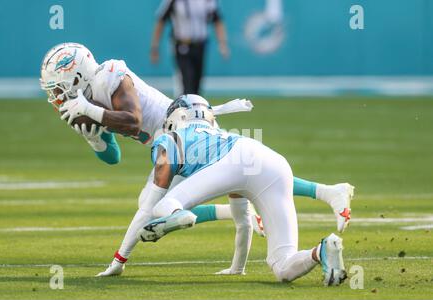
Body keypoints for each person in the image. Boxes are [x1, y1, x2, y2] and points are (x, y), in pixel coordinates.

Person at [39, 43, 354, 277]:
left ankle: (323, 193)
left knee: (155, 208)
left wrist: (118, 261)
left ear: (77, 77)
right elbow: (113, 157)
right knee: (248, 179)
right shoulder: (87, 103)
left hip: (177, 134)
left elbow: (132, 121)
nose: (55, 96)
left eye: (58, 87)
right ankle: (325, 197)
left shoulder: (110, 77)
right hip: (224, 147)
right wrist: (93, 137)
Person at [138, 94, 347, 285]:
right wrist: (237, 269)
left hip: (232, 163)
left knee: (164, 204)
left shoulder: (173, 138)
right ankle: (322, 251)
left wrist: (122, 255)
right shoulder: (221, 136)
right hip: (273, 162)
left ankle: (180, 214)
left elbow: (155, 189)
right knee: (282, 266)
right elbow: (244, 222)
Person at [150, 0, 230, 94]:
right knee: (187, 85)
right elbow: (161, 21)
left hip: (200, 46)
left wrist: (223, 43)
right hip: (182, 46)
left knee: (197, 86)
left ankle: (193, 105)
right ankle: (184, 106)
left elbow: (217, 20)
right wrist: (154, 47)